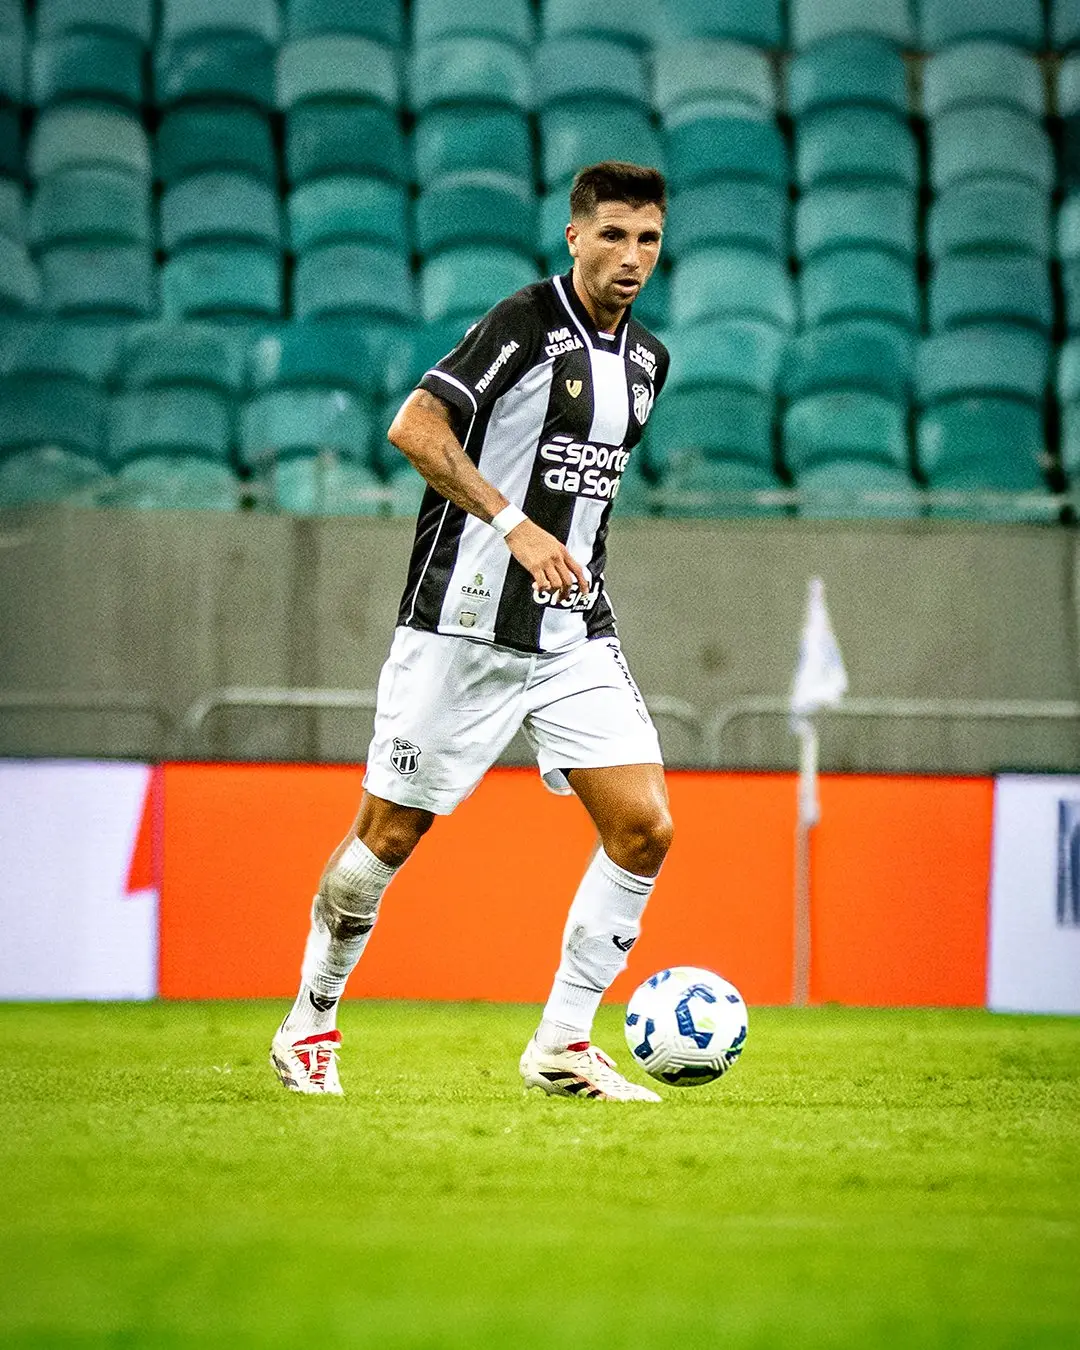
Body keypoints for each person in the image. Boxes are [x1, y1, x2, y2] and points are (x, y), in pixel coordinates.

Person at [271, 161, 673, 1102]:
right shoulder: (523, 324)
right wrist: (512, 524)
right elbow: (415, 428)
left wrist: (562, 559)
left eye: (647, 238)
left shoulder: (650, 360)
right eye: (611, 234)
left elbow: (584, 496)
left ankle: (563, 1044)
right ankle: (310, 1022)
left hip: (571, 632)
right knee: (389, 836)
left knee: (645, 828)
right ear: (573, 236)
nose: (630, 256)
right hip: (458, 625)